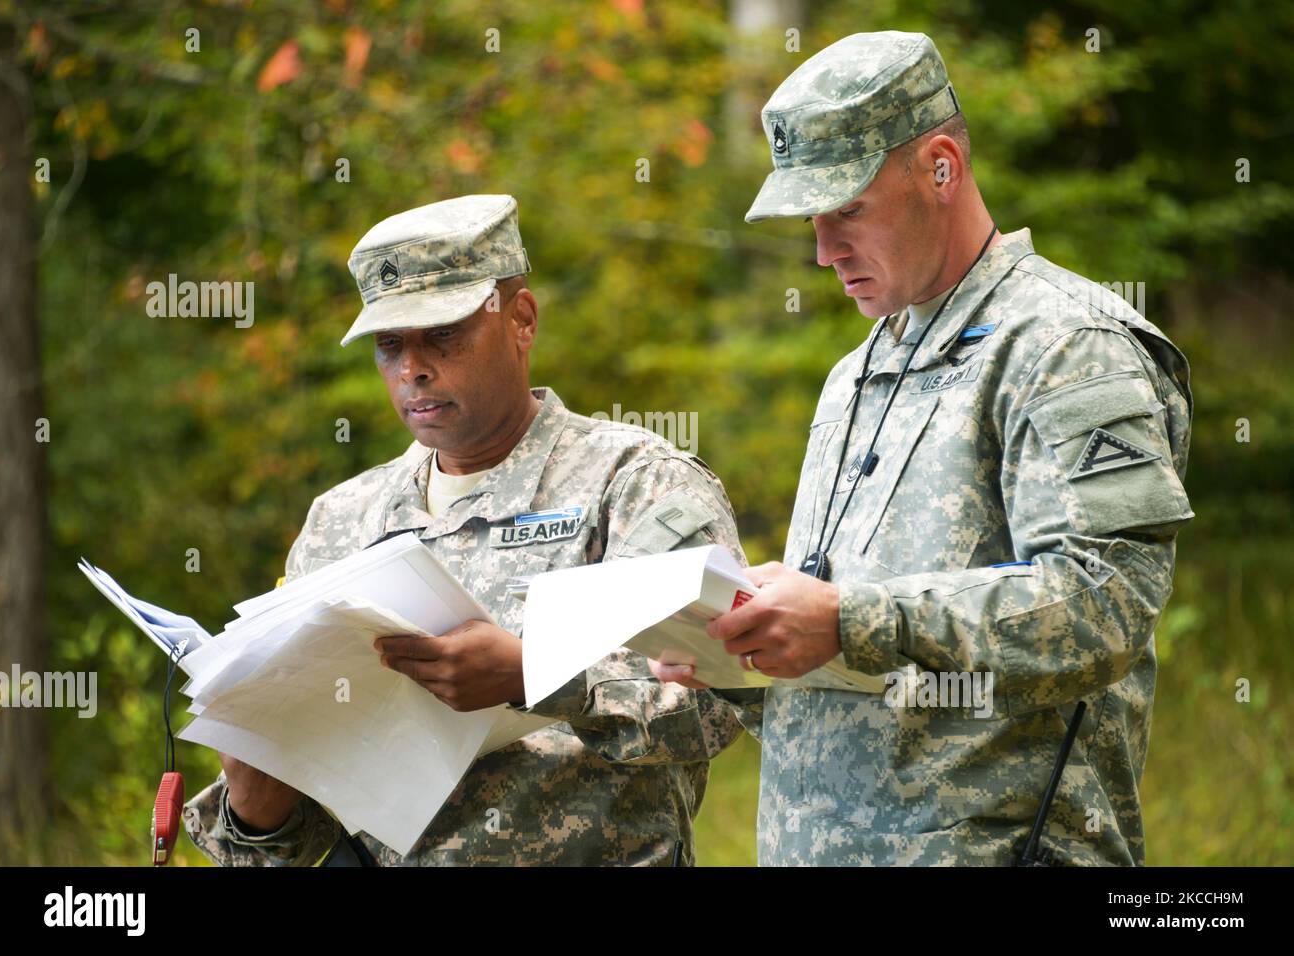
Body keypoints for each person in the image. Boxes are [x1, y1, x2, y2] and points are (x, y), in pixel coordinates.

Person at [653, 31, 1193, 866]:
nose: (823, 251)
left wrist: (851, 619)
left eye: (848, 210)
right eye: (812, 219)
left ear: (940, 166)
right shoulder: (857, 370)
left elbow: (1106, 604)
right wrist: (736, 651)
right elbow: (866, 675)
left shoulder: (1065, 345)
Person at [182, 194, 749, 866]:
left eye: (442, 336)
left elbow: (724, 699)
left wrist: (531, 675)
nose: (412, 369)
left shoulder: (634, 483)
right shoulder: (344, 519)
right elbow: (288, 844)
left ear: (522, 320)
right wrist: (253, 797)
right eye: (390, 346)